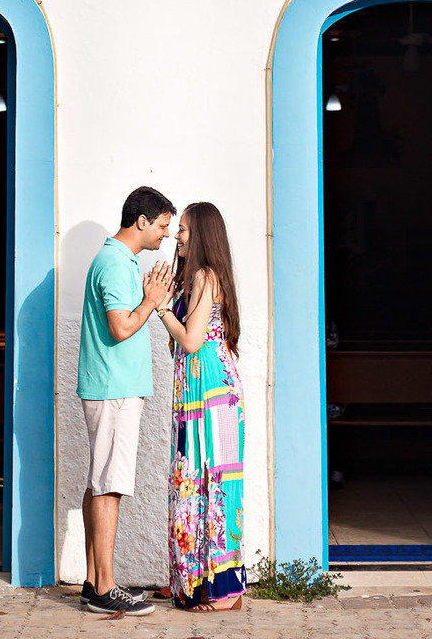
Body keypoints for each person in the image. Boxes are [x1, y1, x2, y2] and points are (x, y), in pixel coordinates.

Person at [77, 185, 177, 616]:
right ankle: (105, 586)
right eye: (161, 226)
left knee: (98, 482)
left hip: (111, 386)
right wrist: (152, 300)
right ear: (141, 221)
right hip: (114, 389)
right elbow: (120, 328)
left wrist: (151, 298)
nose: (165, 236)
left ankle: (93, 581)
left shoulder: (119, 260)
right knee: (109, 486)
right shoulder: (116, 264)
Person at [156, 202, 246, 611]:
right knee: (194, 483)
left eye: (185, 230)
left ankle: (222, 589)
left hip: (212, 397)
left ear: (202, 237)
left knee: (212, 484)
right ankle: (192, 582)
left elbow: (191, 341)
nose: (177, 235)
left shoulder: (205, 276)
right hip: (200, 394)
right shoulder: (192, 279)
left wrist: (158, 307)